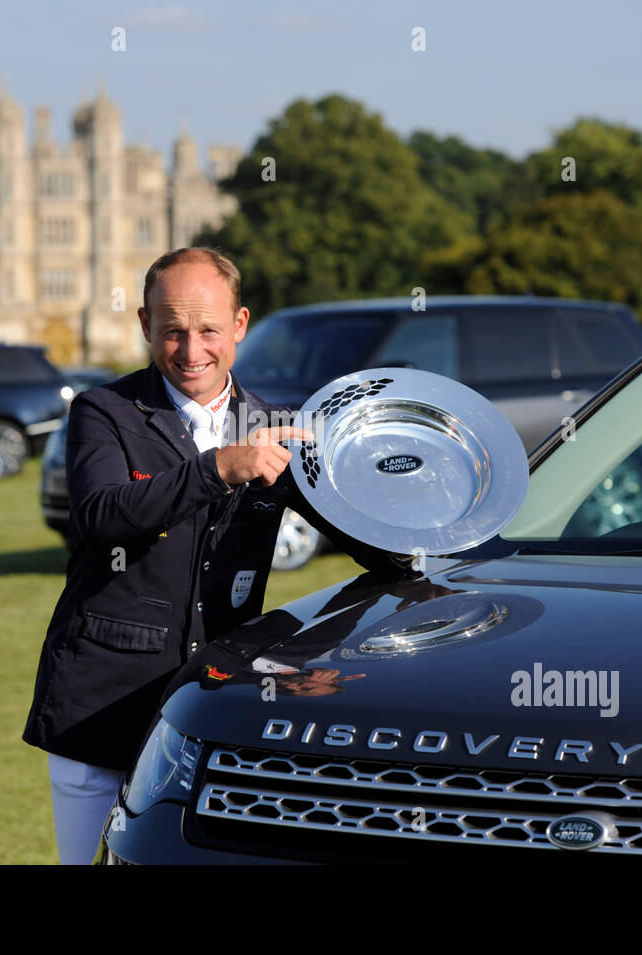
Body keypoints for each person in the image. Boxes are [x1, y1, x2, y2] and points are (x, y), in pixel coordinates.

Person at [21, 247, 400, 864]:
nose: (191, 349)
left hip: (221, 708)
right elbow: (102, 517)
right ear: (145, 326)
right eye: (172, 330)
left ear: (241, 325)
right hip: (100, 707)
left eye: (208, 330)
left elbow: (363, 542)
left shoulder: (276, 425)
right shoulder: (104, 412)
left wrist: (419, 528)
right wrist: (221, 467)